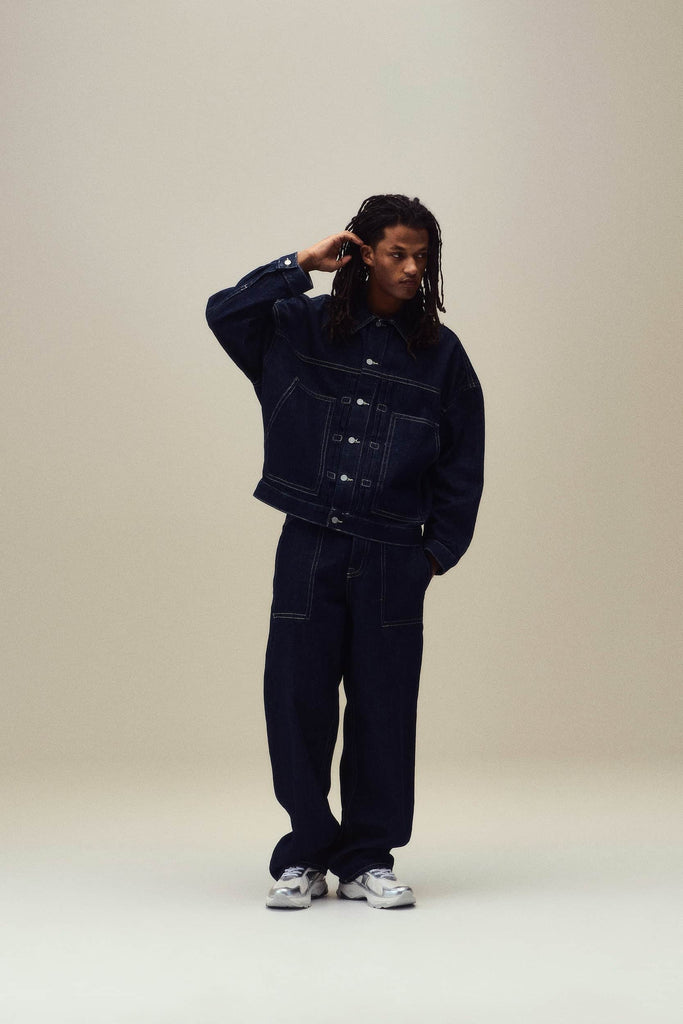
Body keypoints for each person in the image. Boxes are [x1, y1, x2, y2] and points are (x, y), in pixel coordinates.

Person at [205, 194, 484, 910]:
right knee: (295, 701)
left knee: (383, 710)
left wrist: (434, 554)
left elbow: (463, 463)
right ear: (363, 252)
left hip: (394, 556)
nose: (412, 269)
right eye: (397, 253)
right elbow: (224, 312)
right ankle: (305, 853)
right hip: (310, 542)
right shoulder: (298, 326)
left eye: (422, 256)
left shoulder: (441, 354)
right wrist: (301, 262)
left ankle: (366, 859)